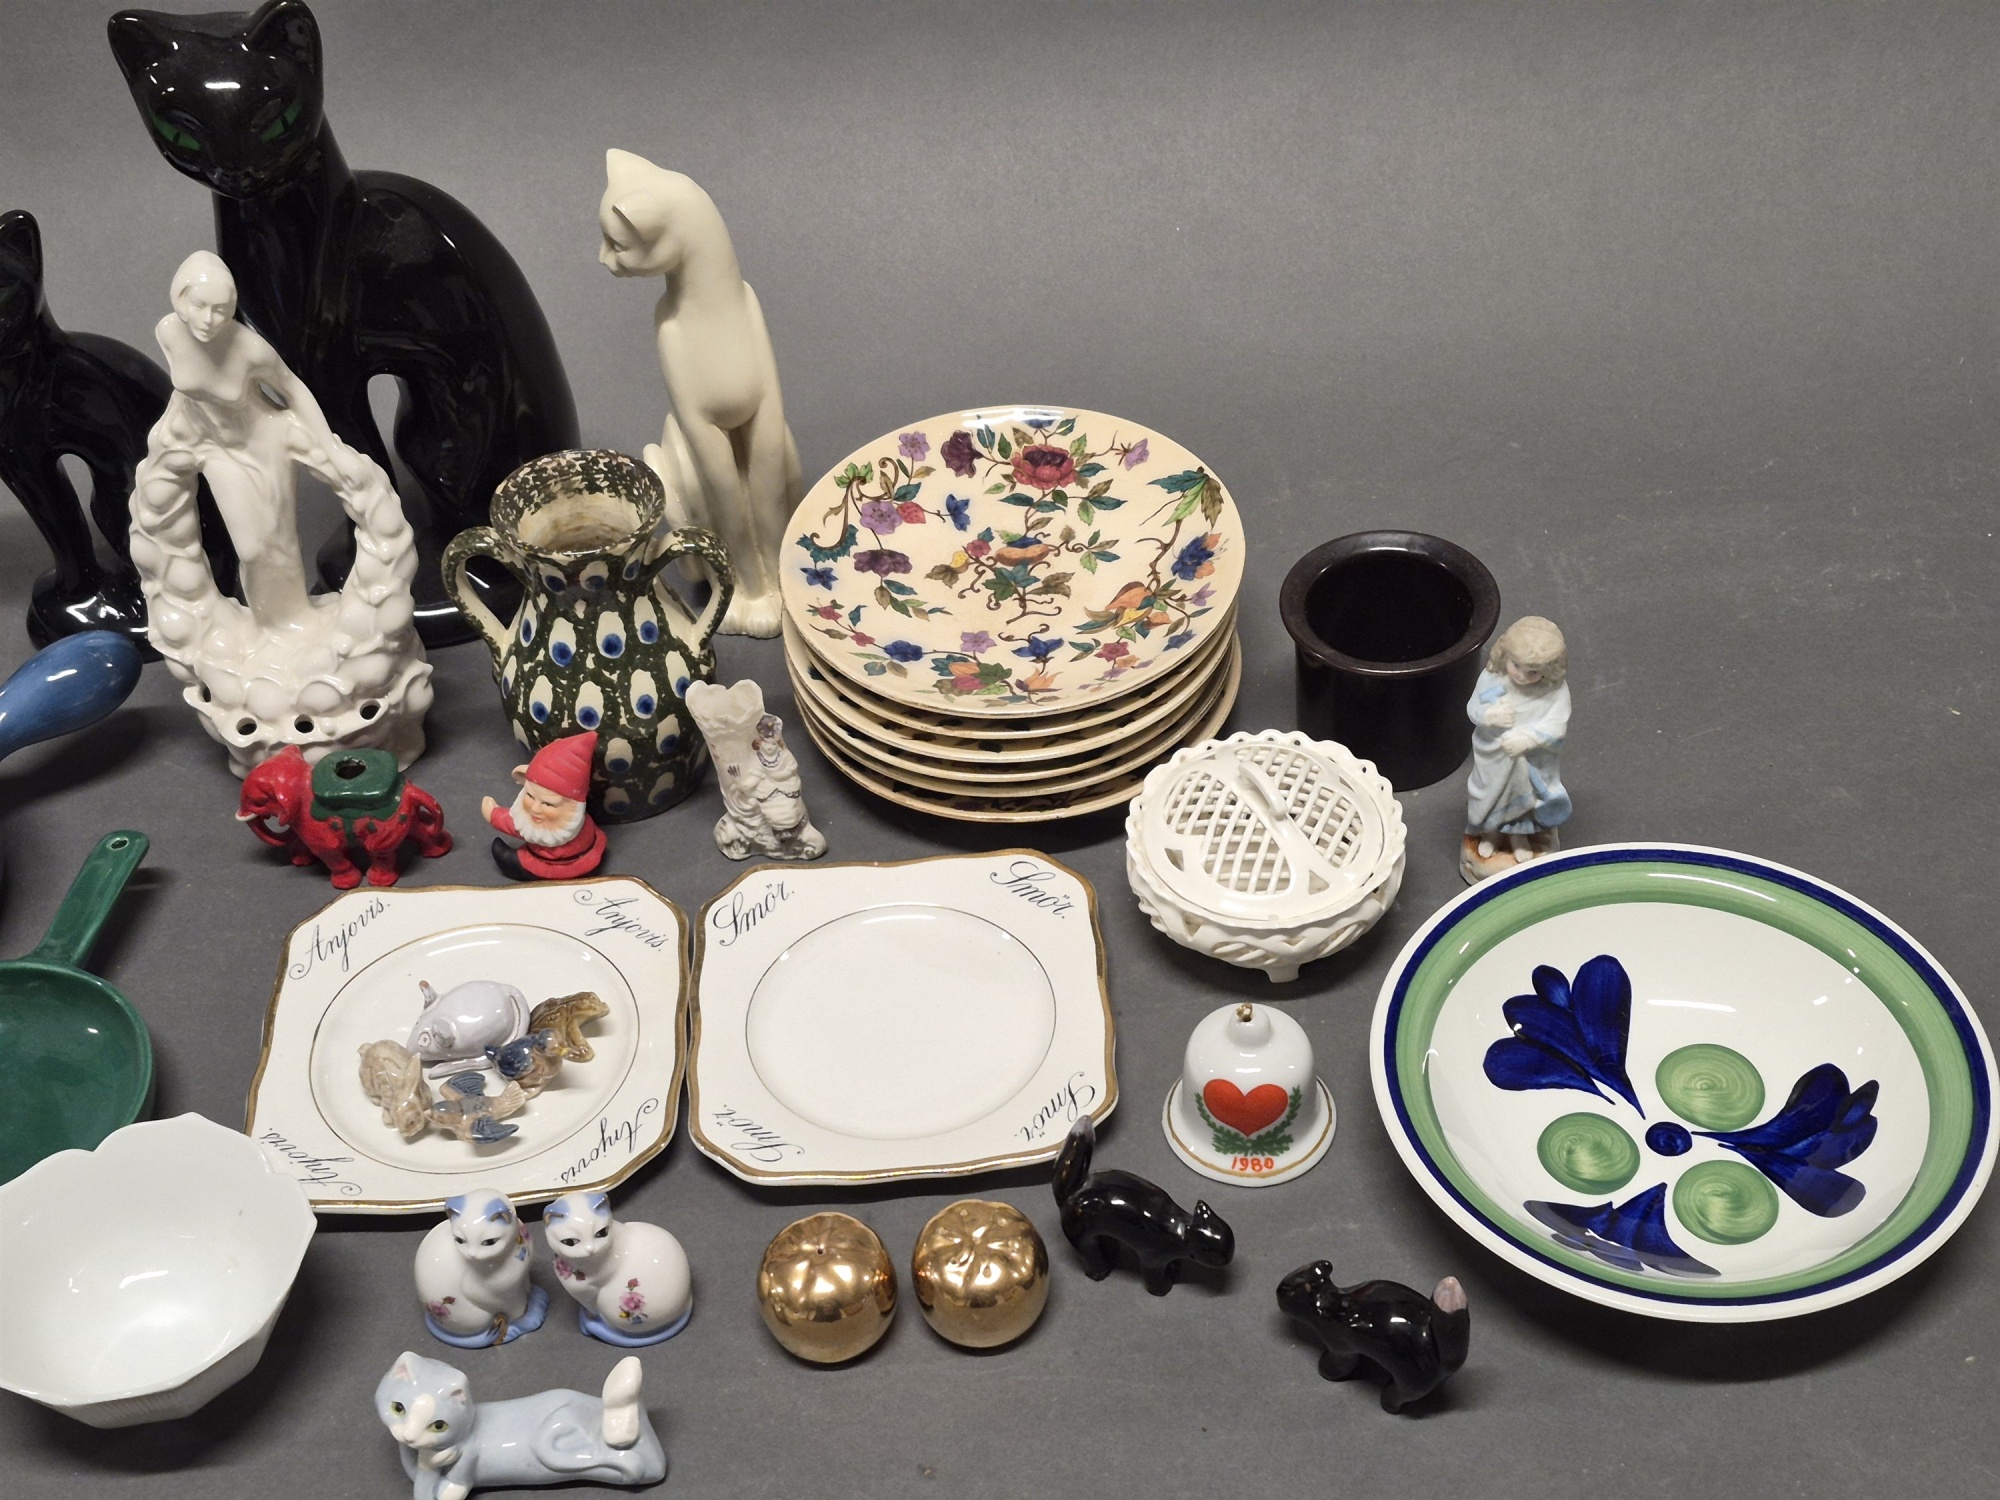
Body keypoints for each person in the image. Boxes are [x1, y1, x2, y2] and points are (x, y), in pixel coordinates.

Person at [1461, 616, 1571, 883]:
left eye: (1532, 672)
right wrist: (1490, 716)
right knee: (1490, 795)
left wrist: (1528, 739)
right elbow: (1473, 708)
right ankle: (1490, 834)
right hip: (1494, 756)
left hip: (1529, 760)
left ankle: (1520, 838)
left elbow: (1557, 723)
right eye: (1516, 666)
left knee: (1525, 799)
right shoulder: (1492, 678)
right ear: (1505, 655)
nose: (1521, 676)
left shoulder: (1554, 691)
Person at [482, 731, 607, 881]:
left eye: (548, 804)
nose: (535, 808)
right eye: (530, 796)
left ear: (573, 806)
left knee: (512, 862)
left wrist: (493, 815)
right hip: (583, 856)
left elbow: (518, 827)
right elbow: (522, 821)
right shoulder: (574, 821)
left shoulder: (560, 828)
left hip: (554, 866)